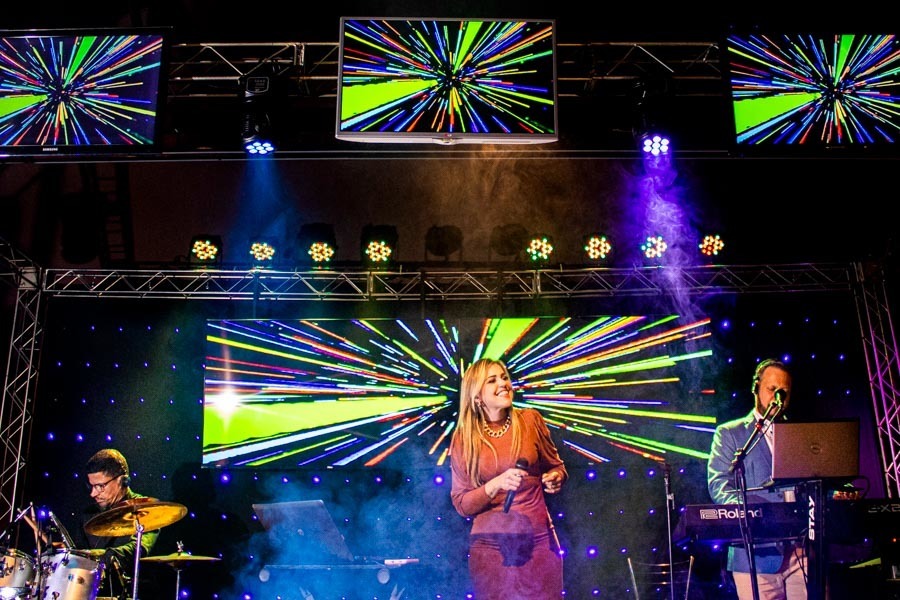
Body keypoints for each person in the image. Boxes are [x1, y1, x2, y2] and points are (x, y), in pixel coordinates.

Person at [449, 358, 568, 599]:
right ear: (477, 396)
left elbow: (557, 466)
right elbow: (462, 504)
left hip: (539, 544)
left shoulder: (531, 420)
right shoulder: (464, 438)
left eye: (504, 377)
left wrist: (555, 477)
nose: (504, 384)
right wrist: (495, 485)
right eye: (492, 380)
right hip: (491, 549)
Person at [707, 358, 807, 600]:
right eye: (772, 390)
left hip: (801, 551)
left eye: (784, 392)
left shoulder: (799, 434)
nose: (778, 398)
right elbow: (719, 487)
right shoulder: (730, 433)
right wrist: (756, 511)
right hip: (754, 555)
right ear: (755, 388)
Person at [77, 448, 161, 599]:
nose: (93, 494)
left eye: (100, 486)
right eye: (91, 486)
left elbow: (138, 549)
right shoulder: (88, 515)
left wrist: (104, 556)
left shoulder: (146, 509)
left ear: (123, 481)